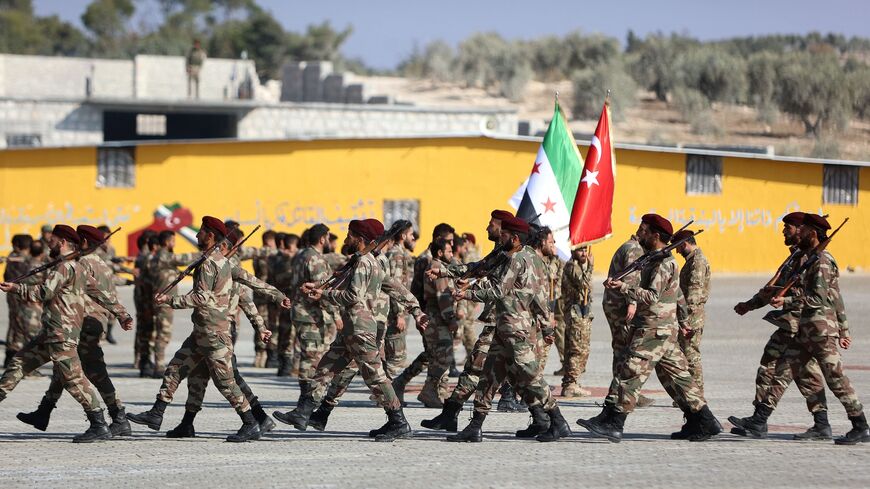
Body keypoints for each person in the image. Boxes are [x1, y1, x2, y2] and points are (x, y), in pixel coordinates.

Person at [273, 219, 428, 442]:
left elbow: (352, 296)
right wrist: (416, 311)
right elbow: (397, 288)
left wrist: (323, 295)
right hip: (351, 330)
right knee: (325, 367)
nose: (346, 238)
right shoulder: (366, 261)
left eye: (350, 234)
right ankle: (304, 412)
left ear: (360, 238)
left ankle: (398, 421)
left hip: (361, 330)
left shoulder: (366, 262)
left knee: (375, 377)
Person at [578, 214, 720, 443]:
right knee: (677, 378)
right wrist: (683, 321)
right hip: (662, 328)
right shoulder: (655, 260)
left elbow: (652, 297)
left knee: (630, 372)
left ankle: (614, 422)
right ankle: (703, 420)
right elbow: (679, 295)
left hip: (653, 329)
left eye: (643, 230)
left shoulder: (665, 264)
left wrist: (623, 287)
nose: (639, 234)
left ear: (655, 235)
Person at [731, 213, 868, 445]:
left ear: (812, 233)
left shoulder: (823, 261)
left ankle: (860, 425)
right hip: (804, 329)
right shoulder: (807, 258)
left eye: (801, 230)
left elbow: (819, 298)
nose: (797, 233)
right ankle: (760, 420)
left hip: (821, 330)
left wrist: (786, 302)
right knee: (783, 371)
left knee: (835, 378)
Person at [127, 216, 265, 442]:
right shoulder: (210, 259)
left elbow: (201, 297)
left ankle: (251, 423)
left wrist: (170, 300)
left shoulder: (210, 263)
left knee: (226, 382)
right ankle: (157, 413)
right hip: (201, 332)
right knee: (175, 368)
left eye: (201, 231)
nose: (197, 235)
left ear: (210, 235)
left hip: (213, 334)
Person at [0, 224, 134, 443]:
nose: (47, 243)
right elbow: (102, 294)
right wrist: (122, 314)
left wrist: (16, 288)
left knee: (73, 378)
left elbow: (44, 292)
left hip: (64, 331)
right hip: (55, 332)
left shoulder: (70, 266)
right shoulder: (76, 266)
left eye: (52, 240)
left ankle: (99, 423)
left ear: (62, 242)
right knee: (20, 363)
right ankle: (46, 412)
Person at [448, 216, 570, 443]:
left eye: (504, 235)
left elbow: (497, 290)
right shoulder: (524, 257)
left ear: (514, 238)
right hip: (504, 328)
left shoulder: (516, 260)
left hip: (516, 330)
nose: (500, 237)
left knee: (531, 376)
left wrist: (467, 293)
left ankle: (558, 421)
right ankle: (475, 427)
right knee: (489, 377)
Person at [672, 229, 711, 400]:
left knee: (691, 354)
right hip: (689, 314)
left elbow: (693, 293)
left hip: (692, 315)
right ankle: (691, 393)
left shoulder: (697, 262)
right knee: (686, 353)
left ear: (685, 244)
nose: (677, 251)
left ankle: (697, 394)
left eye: (678, 247)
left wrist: (685, 319)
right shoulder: (693, 260)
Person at [560, 245, 594, 398]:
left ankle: (570, 382)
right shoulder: (572, 267)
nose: (584, 253)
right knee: (577, 350)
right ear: (573, 251)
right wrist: (591, 266)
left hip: (581, 313)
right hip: (576, 314)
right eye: (581, 250)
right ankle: (571, 384)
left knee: (576, 349)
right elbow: (584, 284)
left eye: (586, 250)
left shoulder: (578, 266)